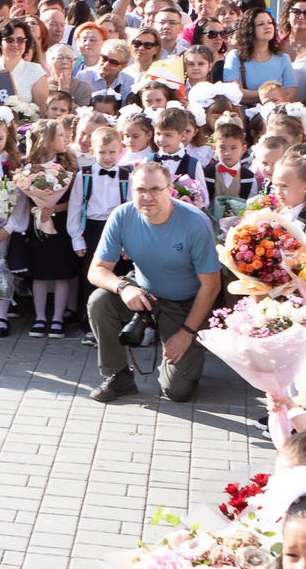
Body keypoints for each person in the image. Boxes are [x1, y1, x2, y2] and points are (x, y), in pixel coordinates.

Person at [86, 161, 222, 403]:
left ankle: (191, 356)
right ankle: (118, 376)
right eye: (140, 190)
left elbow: (211, 285)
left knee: (177, 392)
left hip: (185, 304)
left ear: (169, 189)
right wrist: (123, 287)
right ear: (132, 191)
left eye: (155, 190)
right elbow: (96, 271)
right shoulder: (122, 215)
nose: (147, 197)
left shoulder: (194, 222)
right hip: (144, 293)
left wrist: (186, 333)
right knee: (99, 301)